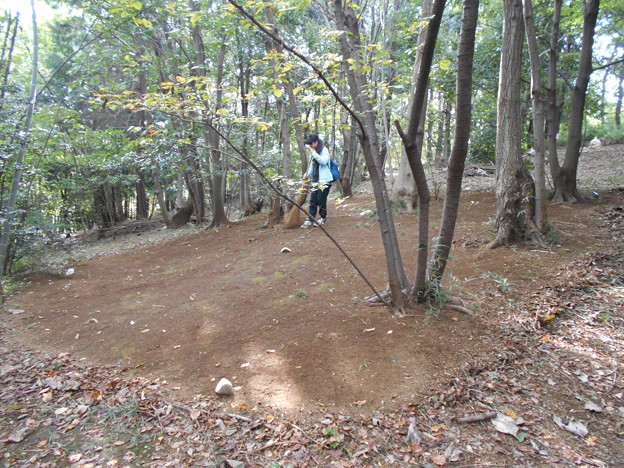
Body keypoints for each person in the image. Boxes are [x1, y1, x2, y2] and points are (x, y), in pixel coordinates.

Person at [301, 133, 332, 228]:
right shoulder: (313, 152)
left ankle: (323, 217)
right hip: (315, 180)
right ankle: (311, 219)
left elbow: (324, 161)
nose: (310, 146)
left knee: (321, 200)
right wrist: (307, 174)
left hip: (324, 180)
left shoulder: (324, 150)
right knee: (313, 200)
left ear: (316, 142)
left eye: (311, 144)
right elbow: (311, 165)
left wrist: (314, 154)